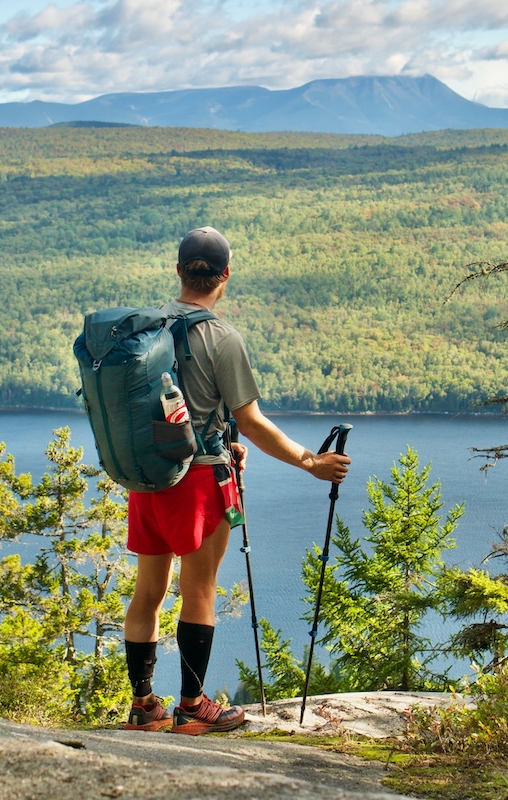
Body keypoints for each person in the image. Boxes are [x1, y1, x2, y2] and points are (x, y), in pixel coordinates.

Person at [123, 226, 352, 735]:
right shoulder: (221, 337)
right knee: (199, 589)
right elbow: (250, 421)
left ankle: (144, 706)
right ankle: (191, 705)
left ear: (178, 270)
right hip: (200, 482)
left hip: (149, 480)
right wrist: (311, 462)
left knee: (149, 591)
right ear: (224, 276)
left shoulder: (146, 330)